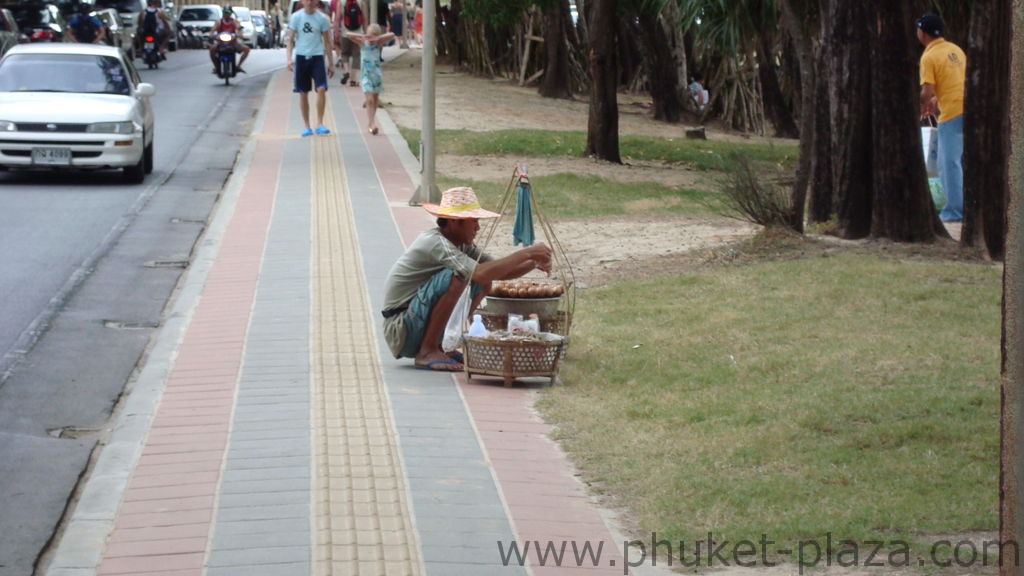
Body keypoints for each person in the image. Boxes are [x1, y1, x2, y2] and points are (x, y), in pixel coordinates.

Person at [381, 187, 553, 371]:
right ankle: (427, 350)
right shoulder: (436, 242)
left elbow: (497, 271)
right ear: (455, 222)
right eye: (474, 222)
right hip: (400, 328)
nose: (477, 228)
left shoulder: (462, 245)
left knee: (485, 279)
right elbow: (479, 272)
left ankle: (443, 346)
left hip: (414, 324)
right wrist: (527, 252)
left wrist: (533, 262)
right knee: (459, 277)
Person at [916, 12, 965, 223]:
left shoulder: (928, 56)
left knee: (948, 163)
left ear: (923, 33)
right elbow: (955, 81)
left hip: (952, 113)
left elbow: (927, 91)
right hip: (969, 107)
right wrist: (936, 101)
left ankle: (954, 210)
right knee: (962, 161)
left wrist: (923, 103)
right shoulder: (956, 50)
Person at [287, 0, 334, 136]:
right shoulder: (296, 17)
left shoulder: (322, 19)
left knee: (321, 88)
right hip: (301, 57)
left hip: (317, 56)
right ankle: (307, 126)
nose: (310, 2)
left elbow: (327, 41)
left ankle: (319, 123)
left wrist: (331, 63)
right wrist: (289, 58)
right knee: (303, 92)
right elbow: (290, 39)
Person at [347, 23, 393, 134]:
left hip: (376, 75)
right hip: (366, 75)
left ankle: (371, 122)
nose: (371, 39)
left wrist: (378, 38)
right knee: (369, 99)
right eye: (370, 36)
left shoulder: (378, 43)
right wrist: (364, 36)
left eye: (374, 36)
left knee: (375, 98)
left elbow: (392, 34)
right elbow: (348, 34)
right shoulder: (363, 43)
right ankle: (371, 123)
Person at [209, 6, 250, 74]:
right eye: (225, 13)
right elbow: (212, 31)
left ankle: (239, 66)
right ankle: (216, 67)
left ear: (231, 14)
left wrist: (240, 34)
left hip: (232, 42)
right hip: (220, 42)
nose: (226, 15)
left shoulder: (235, 22)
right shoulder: (219, 22)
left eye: (228, 13)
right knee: (212, 49)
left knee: (246, 49)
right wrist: (212, 35)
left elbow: (239, 29)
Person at [333, 0, 363, 86]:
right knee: (356, 55)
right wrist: (365, 32)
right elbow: (365, 18)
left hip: (345, 33)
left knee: (344, 53)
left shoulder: (341, 2)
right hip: (358, 33)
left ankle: (346, 71)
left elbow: (337, 19)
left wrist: (336, 33)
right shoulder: (361, 2)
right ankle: (353, 80)